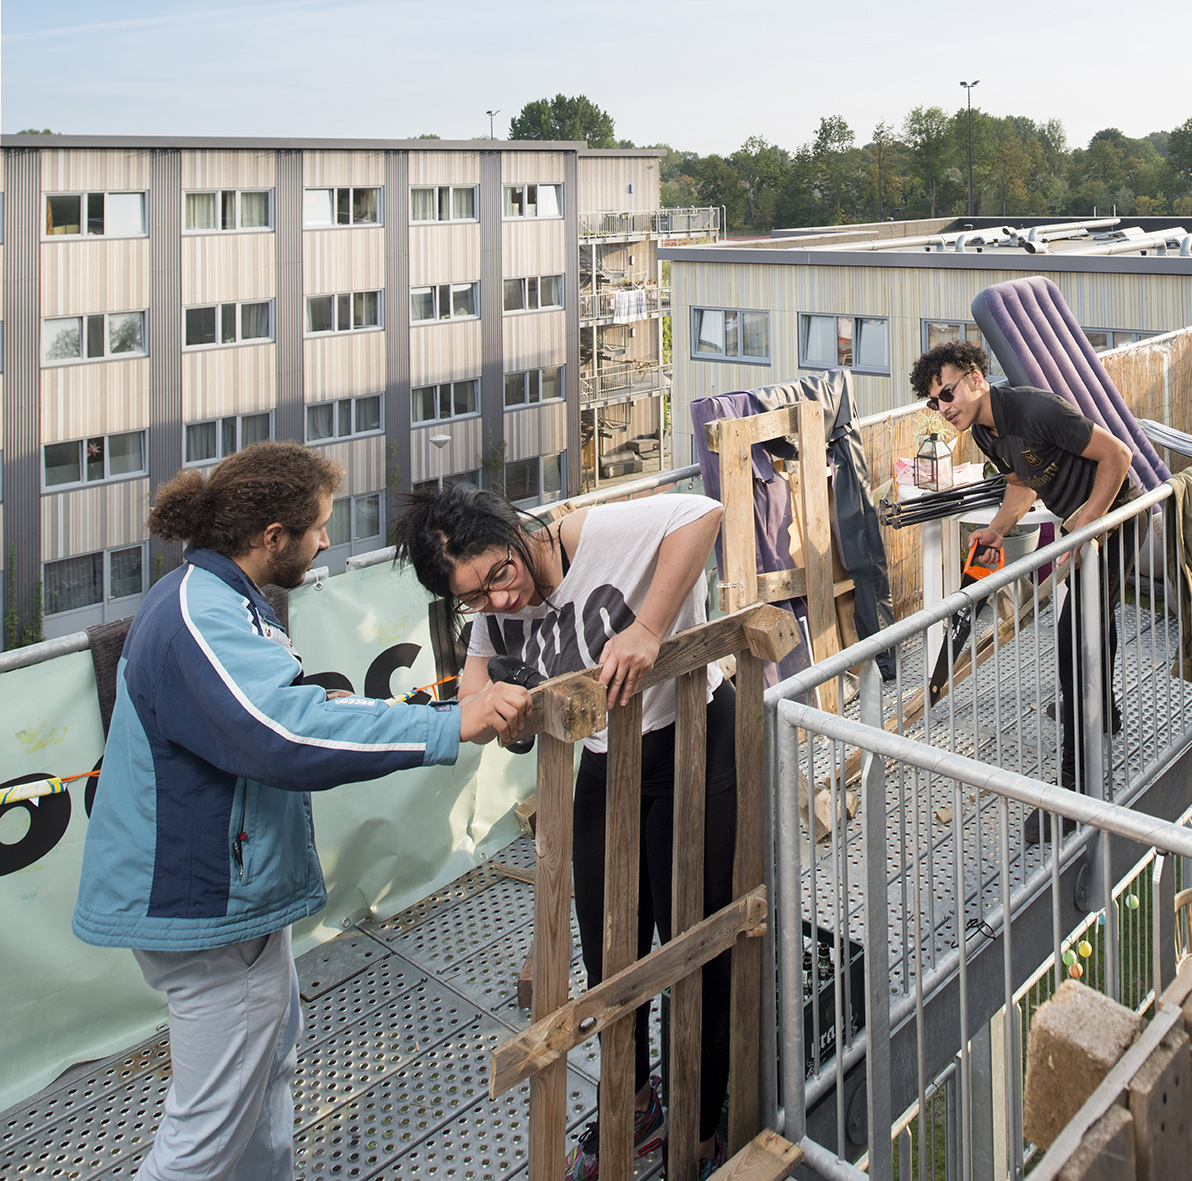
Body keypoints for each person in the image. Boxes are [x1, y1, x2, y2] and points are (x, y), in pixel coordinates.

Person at [72, 442, 531, 1181]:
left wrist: (352, 710)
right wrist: (454, 723)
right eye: (317, 526)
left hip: (230, 902)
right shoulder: (201, 613)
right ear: (271, 536)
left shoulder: (214, 598)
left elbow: (269, 712)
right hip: (206, 905)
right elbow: (280, 732)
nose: (326, 540)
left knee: (261, 1082)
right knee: (204, 1135)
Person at [392, 484, 731, 1179]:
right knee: (611, 951)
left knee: (694, 946)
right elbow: (475, 690)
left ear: (515, 535)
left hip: (697, 734)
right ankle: (634, 1104)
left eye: (500, 575)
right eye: (474, 596)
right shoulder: (489, 610)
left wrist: (648, 628)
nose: (498, 599)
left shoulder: (586, 534)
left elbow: (704, 514)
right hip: (610, 758)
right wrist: (487, 702)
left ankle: (698, 1128)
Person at [908, 340, 1133, 843]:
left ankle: (1077, 790)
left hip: (1119, 516)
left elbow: (1118, 456)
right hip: (1086, 529)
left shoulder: (1034, 409)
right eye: (935, 403)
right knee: (1093, 620)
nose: (945, 409)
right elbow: (1021, 483)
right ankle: (1106, 713)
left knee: (1077, 636)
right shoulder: (986, 431)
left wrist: (1088, 520)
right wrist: (997, 528)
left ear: (975, 377)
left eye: (948, 393)